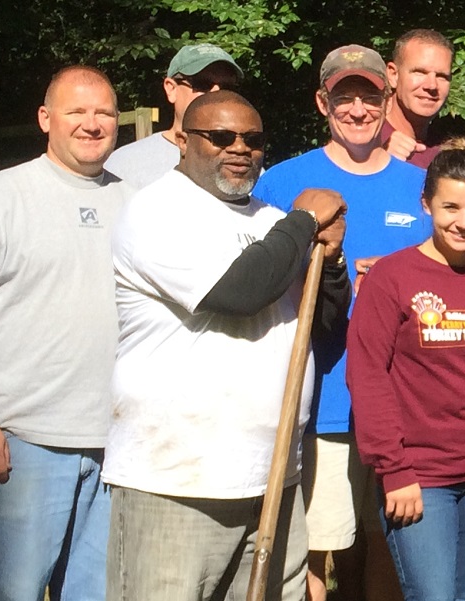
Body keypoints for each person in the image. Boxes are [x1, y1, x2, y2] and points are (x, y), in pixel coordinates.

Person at [104, 90, 350, 601]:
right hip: (177, 479)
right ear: (183, 142)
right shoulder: (156, 211)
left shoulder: (266, 219)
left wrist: (332, 262)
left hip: (271, 474)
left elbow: (322, 325)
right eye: (220, 137)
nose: (239, 149)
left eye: (253, 140)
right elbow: (237, 293)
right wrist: (304, 222)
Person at [0, 66, 124, 601]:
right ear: (45, 119)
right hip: (20, 443)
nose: (92, 123)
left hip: (117, 448)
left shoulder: (135, 203)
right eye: (76, 111)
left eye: (104, 112)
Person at [250, 44, 429, 601]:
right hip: (319, 396)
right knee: (316, 541)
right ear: (322, 102)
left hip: (402, 401)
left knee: (388, 537)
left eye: (369, 97)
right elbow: (258, 278)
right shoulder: (281, 182)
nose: (357, 110)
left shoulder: (417, 186)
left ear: (387, 99)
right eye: (344, 97)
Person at [348, 136, 465, 601]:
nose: (464, 222)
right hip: (421, 475)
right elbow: (367, 377)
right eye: (451, 206)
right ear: (426, 204)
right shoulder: (391, 278)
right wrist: (394, 470)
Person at [104, 43, 242, 189]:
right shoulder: (126, 165)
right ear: (171, 89)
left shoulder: (245, 164)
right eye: (202, 84)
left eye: (227, 88)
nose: (216, 93)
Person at [381, 29, 454, 168]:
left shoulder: (450, 146)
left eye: (441, 76)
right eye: (419, 72)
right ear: (393, 75)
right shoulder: (364, 141)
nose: (431, 85)